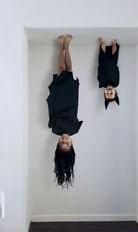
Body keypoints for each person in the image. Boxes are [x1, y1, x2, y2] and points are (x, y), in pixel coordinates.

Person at [46, 35, 83, 188]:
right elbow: (75, 111)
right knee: (69, 70)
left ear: (58, 143)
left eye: (61, 143)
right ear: (71, 144)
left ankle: (61, 45)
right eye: (67, 143)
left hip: (58, 99)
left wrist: (51, 97)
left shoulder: (54, 129)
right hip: (70, 99)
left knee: (60, 70)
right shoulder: (75, 129)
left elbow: (51, 111)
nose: (64, 140)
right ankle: (66, 46)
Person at [97, 37, 120, 109]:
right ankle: (114, 44)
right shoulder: (116, 83)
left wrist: (101, 68)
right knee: (114, 55)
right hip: (112, 64)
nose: (109, 91)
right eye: (111, 93)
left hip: (103, 65)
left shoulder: (102, 83)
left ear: (104, 92)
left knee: (102, 54)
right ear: (115, 91)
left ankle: (102, 43)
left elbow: (99, 74)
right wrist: (114, 68)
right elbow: (117, 73)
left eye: (107, 93)